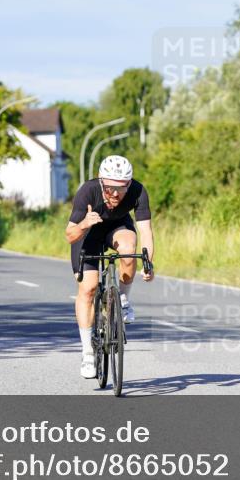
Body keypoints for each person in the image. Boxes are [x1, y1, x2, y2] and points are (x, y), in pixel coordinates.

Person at [65, 155, 154, 379]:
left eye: (121, 189)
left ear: (129, 185)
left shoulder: (138, 191)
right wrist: (85, 223)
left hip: (118, 227)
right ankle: (87, 352)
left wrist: (149, 262)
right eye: (111, 188)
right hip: (88, 233)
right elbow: (70, 235)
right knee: (89, 288)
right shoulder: (88, 191)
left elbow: (145, 232)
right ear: (102, 182)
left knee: (128, 248)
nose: (115, 194)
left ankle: (123, 300)